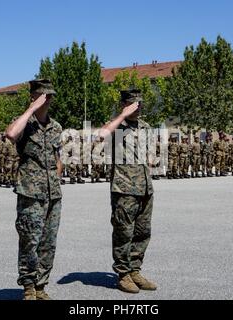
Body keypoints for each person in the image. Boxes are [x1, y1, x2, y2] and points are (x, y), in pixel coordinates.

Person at [5, 79, 63, 300]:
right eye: (43, 95)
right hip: (30, 193)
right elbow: (10, 135)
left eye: (50, 96)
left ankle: (41, 285)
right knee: (30, 240)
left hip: (53, 194)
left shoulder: (56, 127)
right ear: (33, 96)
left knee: (49, 242)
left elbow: (58, 159)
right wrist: (30, 109)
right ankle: (28, 286)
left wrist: (55, 179)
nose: (47, 100)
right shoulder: (23, 123)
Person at [100, 89, 157, 294]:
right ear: (124, 104)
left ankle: (135, 270)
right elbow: (101, 135)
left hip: (145, 187)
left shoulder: (145, 127)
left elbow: (149, 153)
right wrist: (123, 115)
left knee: (143, 232)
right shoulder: (116, 126)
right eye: (133, 103)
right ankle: (123, 274)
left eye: (140, 103)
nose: (138, 107)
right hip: (124, 188)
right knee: (124, 232)